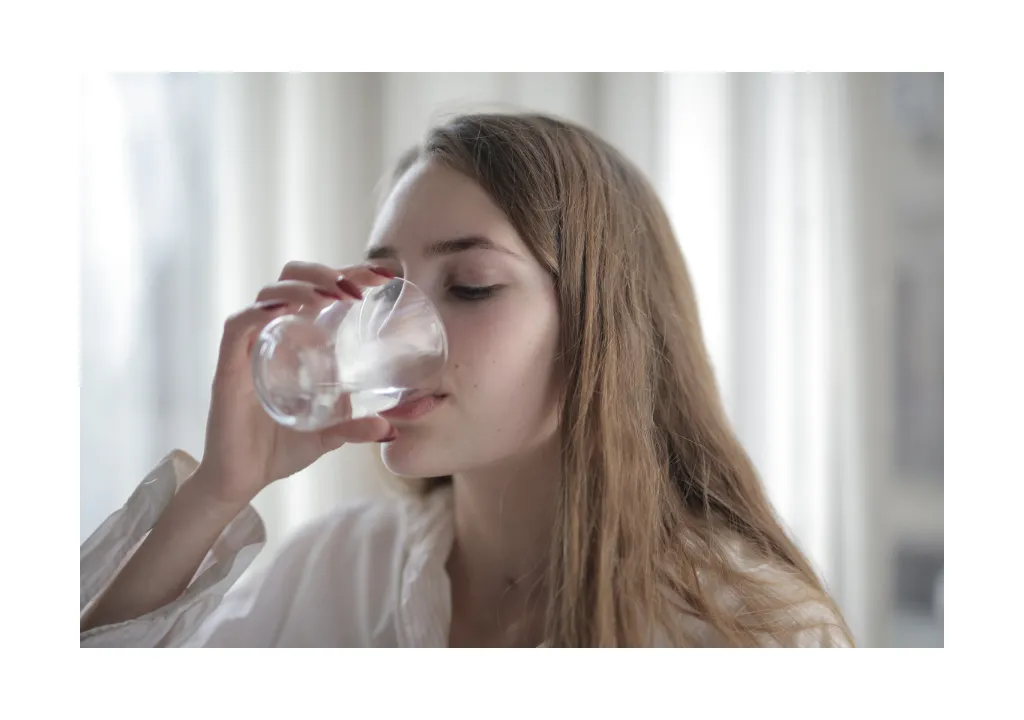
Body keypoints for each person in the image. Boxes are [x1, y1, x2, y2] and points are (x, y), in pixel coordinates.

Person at [80, 112, 853, 647]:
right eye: (384, 290)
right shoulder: (338, 570)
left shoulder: (752, 635)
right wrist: (216, 493)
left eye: (471, 286)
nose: (392, 333)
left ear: (601, 326)